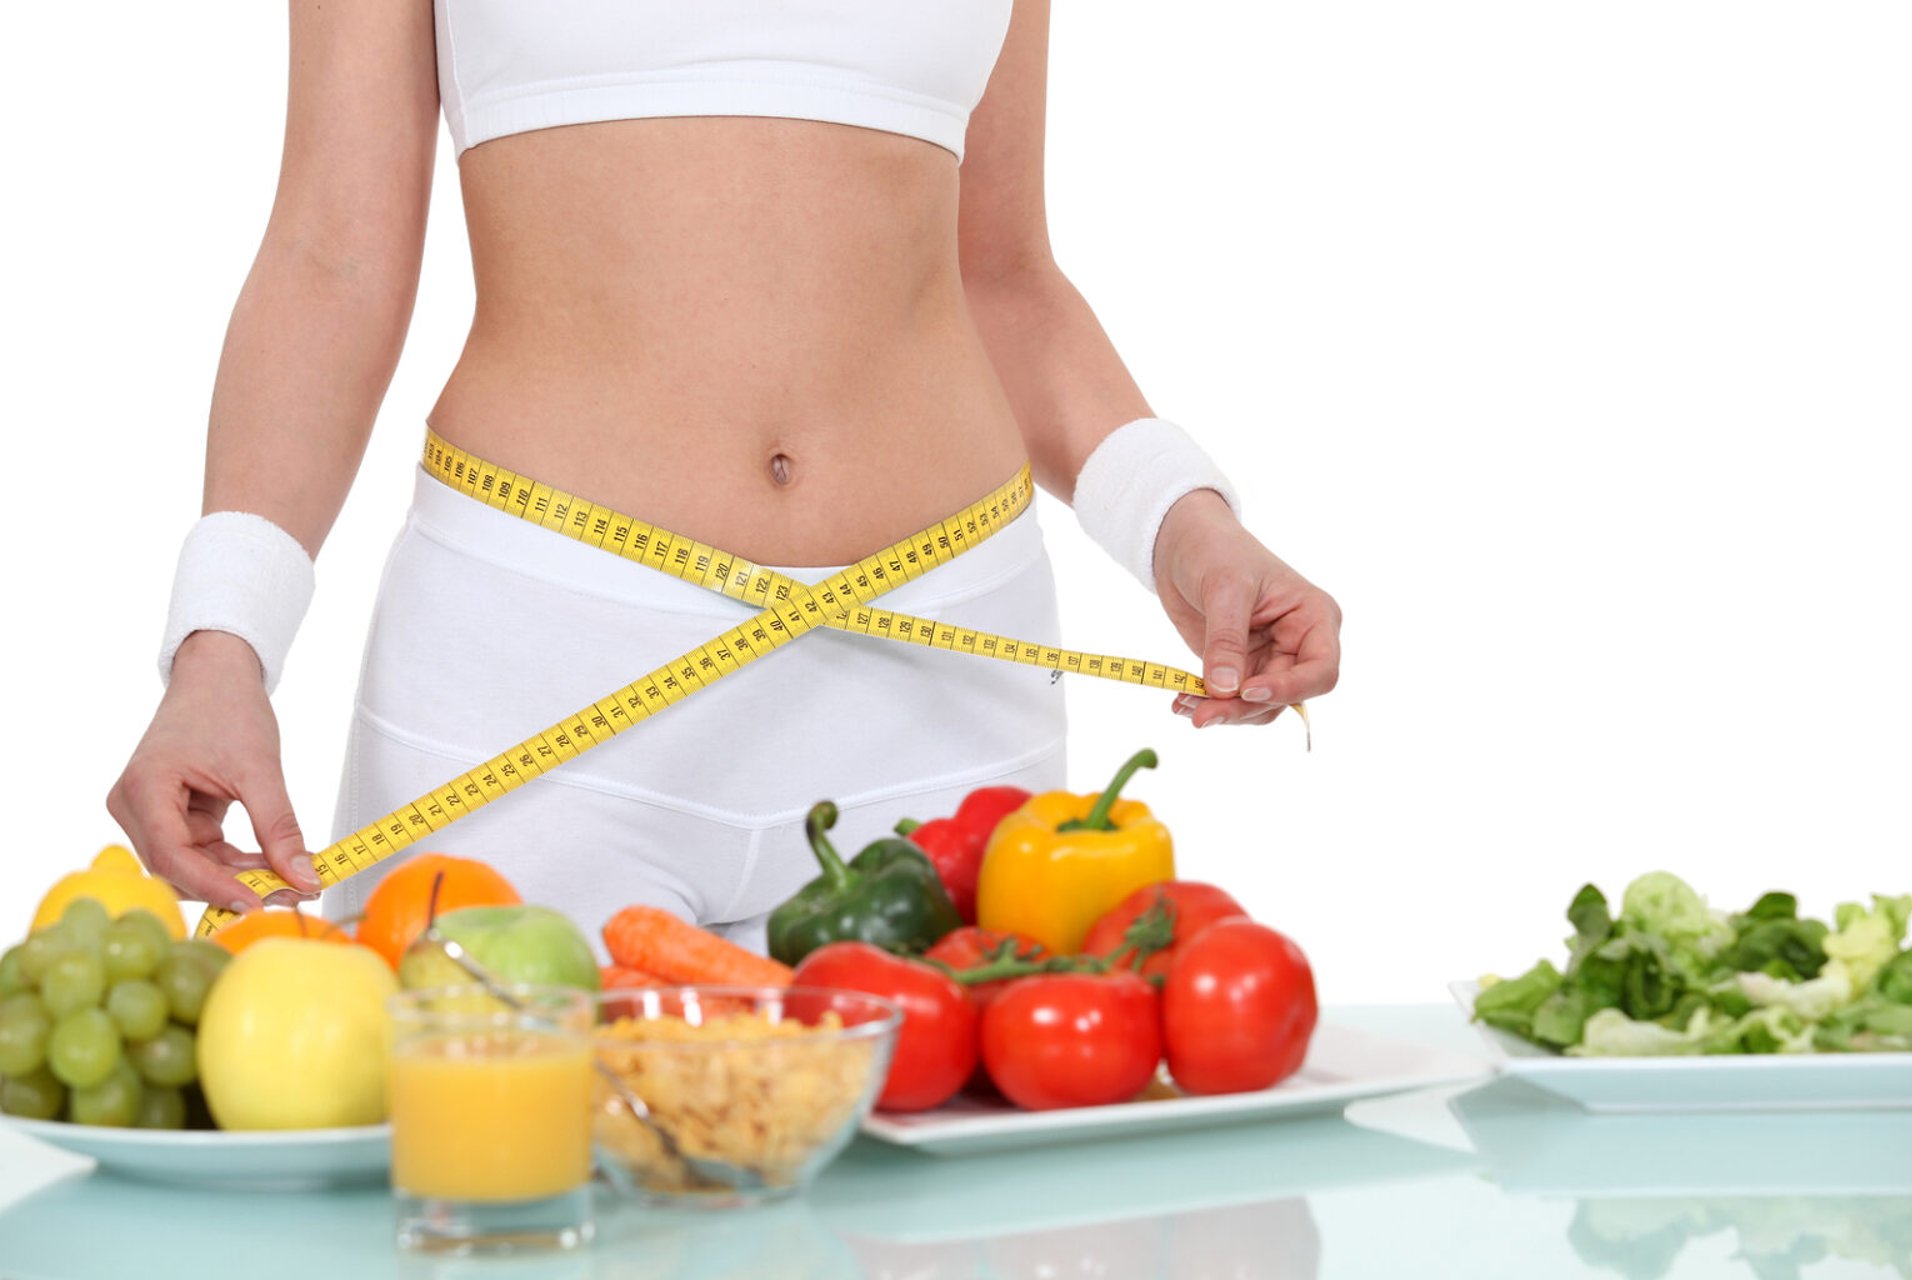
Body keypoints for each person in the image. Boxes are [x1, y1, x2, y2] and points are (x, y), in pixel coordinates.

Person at [106, 0, 1342, 953]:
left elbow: (1003, 274)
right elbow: (333, 257)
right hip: (538, 678)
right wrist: (223, 642)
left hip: (945, 683)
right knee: (495, 1208)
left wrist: (1182, 521)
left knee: (951, 1235)